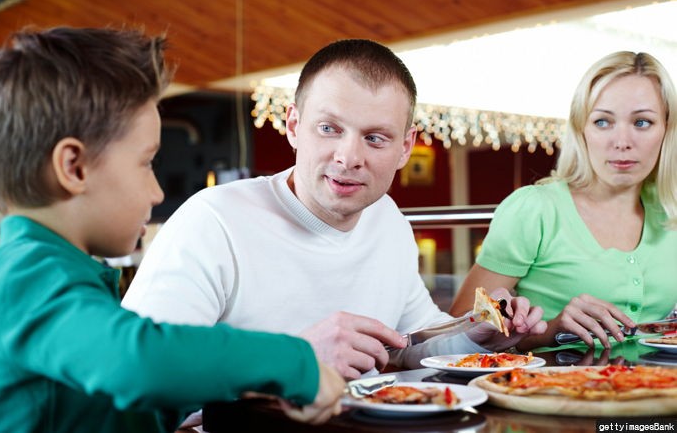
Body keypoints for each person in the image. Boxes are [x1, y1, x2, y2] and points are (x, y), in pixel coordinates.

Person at [0, 26, 344, 433]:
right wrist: (291, 361)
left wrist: (240, 385)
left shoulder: (53, 274)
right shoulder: (21, 277)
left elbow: (111, 413)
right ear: (74, 168)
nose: (155, 193)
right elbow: (135, 361)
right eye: (146, 162)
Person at [122, 38, 547, 380]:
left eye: (375, 138)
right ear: (292, 126)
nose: (349, 157)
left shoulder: (388, 220)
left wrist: (478, 334)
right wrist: (296, 359)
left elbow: (411, 348)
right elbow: (139, 372)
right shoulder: (213, 219)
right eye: (329, 129)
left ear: (405, 148)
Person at [449, 51, 677, 350]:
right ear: (582, 130)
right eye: (603, 122)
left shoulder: (670, 211)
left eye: (643, 122)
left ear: (667, 130)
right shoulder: (535, 209)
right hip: (553, 390)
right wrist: (552, 329)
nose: (622, 141)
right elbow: (457, 334)